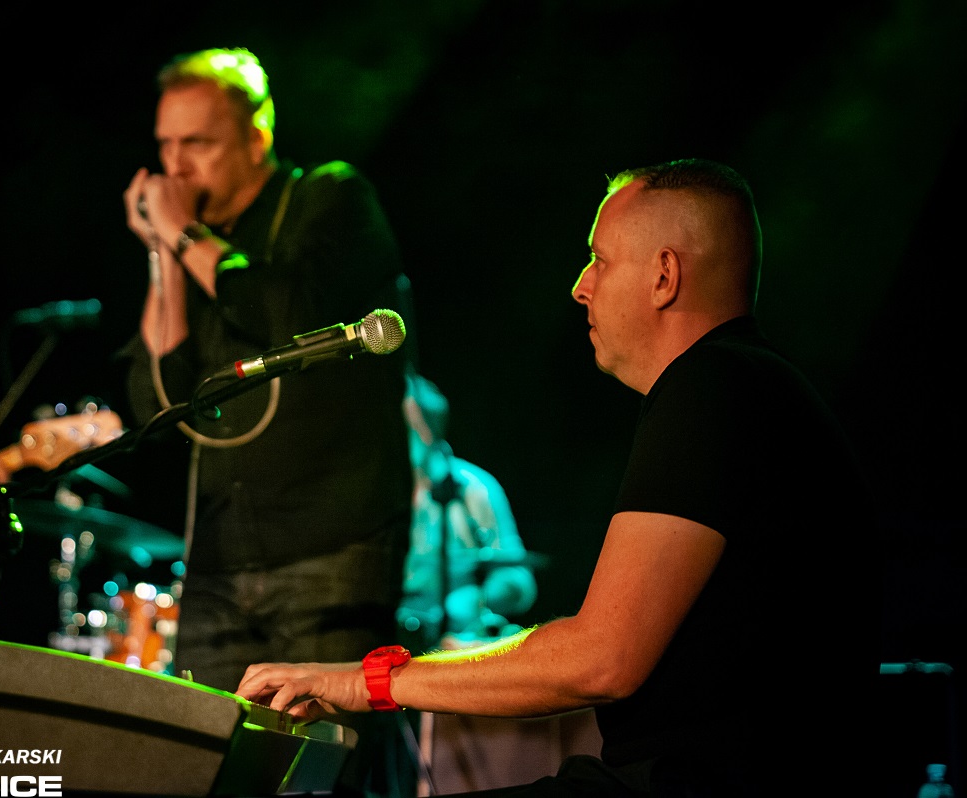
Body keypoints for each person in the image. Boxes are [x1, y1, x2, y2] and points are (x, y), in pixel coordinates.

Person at [237, 158, 877, 796]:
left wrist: (368, 681)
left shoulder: (714, 388)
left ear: (664, 276)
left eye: (600, 259)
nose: (579, 286)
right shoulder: (749, 387)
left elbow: (602, 659)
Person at [117, 48, 415, 795]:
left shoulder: (329, 198)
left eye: (198, 142)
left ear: (256, 137)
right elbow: (157, 400)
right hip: (219, 560)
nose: (176, 166)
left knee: (320, 775)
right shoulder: (188, 245)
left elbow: (290, 313)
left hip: (329, 547)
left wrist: (186, 236)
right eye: (165, 145)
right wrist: (163, 254)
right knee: (207, 770)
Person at [398, 371, 537, 654]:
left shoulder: (473, 489)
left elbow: (518, 581)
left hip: (454, 645)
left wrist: (469, 602)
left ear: (425, 431)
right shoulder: (375, 494)